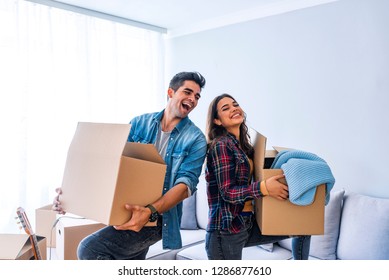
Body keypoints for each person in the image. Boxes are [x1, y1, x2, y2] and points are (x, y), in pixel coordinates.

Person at [53, 71, 207, 260]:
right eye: (187, 92)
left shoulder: (196, 139)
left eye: (197, 96)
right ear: (170, 92)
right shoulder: (139, 123)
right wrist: (73, 195)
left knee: (89, 249)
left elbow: (185, 186)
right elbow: (115, 164)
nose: (192, 99)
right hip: (126, 209)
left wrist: (149, 211)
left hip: (158, 219)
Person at [205, 93, 311, 260]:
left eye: (235, 104)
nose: (234, 108)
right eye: (226, 108)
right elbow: (227, 192)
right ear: (217, 121)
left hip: (247, 224)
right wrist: (265, 188)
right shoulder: (221, 145)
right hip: (225, 231)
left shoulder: (243, 145)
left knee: (304, 227)